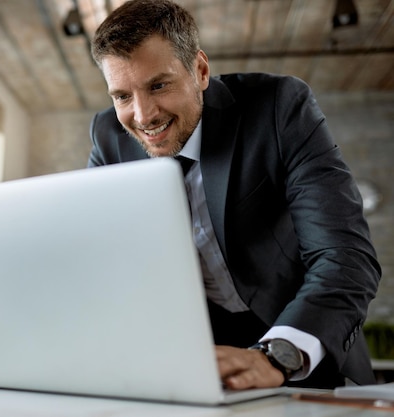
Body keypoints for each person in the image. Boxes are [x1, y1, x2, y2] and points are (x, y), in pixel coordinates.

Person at [87, 0, 381, 390]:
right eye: (122, 96)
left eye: (158, 85)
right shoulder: (109, 137)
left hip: (299, 345)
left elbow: (345, 256)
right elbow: (98, 262)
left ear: (201, 71)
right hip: (197, 358)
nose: (142, 116)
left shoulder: (278, 107)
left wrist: (280, 354)